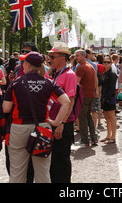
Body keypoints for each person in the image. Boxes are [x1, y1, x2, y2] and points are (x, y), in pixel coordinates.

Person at [2, 51, 70, 183]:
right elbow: (66, 101)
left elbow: (6, 108)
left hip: (19, 128)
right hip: (42, 128)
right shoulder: (49, 82)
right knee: (43, 173)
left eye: (23, 63)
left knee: (17, 173)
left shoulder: (16, 83)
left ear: (27, 65)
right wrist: (56, 121)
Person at [47, 42, 77, 183]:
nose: (49, 58)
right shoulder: (56, 72)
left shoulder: (69, 74)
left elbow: (70, 101)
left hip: (62, 123)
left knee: (61, 160)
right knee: (54, 160)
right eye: (49, 56)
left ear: (63, 57)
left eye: (52, 56)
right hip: (53, 120)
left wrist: (62, 123)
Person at [75, 49, 99, 146]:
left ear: (83, 56)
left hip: (83, 96)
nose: (76, 57)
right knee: (88, 116)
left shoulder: (81, 68)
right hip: (90, 95)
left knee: (82, 118)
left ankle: (84, 140)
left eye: (77, 55)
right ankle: (93, 138)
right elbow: (95, 80)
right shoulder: (91, 66)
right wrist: (96, 91)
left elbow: (76, 83)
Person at [100, 55, 118, 144]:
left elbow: (112, 88)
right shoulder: (105, 73)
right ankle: (108, 135)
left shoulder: (112, 74)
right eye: (104, 62)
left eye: (108, 62)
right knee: (107, 118)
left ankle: (113, 137)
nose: (106, 64)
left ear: (111, 63)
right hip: (104, 98)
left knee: (111, 118)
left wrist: (107, 98)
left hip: (110, 98)